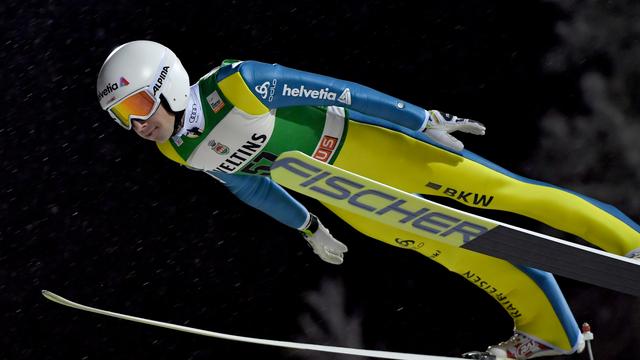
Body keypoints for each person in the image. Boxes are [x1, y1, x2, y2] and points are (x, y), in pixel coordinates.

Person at [96, 40, 640, 359]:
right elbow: (248, 183)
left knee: (512, 196)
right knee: (457, 250)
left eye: (139, 103)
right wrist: (309, 228)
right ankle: (547, 332)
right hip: (355, 202)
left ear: (167, 82)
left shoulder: (237, 85)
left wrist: (421, 119)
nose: (137, 123)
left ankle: (630, 244)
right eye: (123, 117)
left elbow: (340, 91)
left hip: (384, 153)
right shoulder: (180, 152)